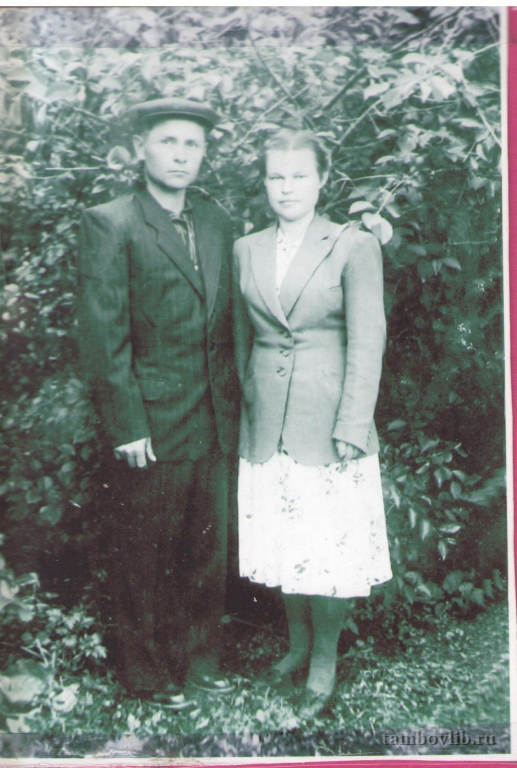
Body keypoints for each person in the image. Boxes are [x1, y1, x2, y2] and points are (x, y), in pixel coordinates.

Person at [77, 97, 239, 704]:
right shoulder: (111, 222)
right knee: (145, 554)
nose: (180, 155)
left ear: (205, 154)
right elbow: (102, 335)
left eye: (192, 144)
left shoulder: (217, 221)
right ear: (141, 147)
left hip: (213, 416)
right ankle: (144, 672)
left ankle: (199, 662)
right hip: (150, 420)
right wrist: (126, 423)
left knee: (205, 548)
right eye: (168, 141)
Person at [232, 129, 392, 720]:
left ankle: (324, 659)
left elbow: (368, 341)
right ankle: (297, 644)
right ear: (264, 182)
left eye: (299, 175)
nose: (287, 187)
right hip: (266, 423)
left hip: (328, 424)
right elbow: (241, 341)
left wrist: (352, 422)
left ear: (322, 179)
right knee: (284, 542)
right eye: (276, 176)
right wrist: (250, 404)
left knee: (328, 549)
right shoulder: (246, 249)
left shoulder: (352, 245)